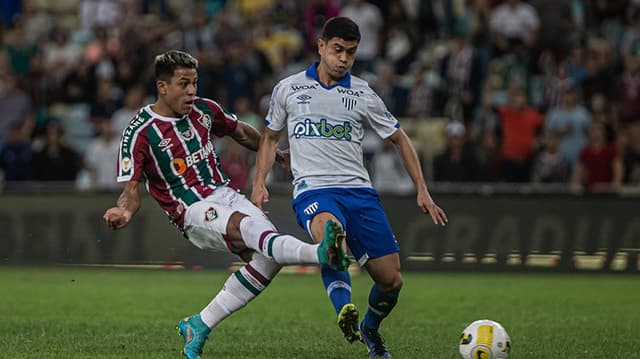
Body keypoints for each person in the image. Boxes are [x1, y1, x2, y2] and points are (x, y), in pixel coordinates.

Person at [102, 50, 349, 359]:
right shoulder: (140, 132)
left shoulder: (204, 110)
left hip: (226, 195)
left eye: (194, 82)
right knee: (247, 230)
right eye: (183, 84)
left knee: (268, 256)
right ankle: (321, 253)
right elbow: (132, 189)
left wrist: (276, 152)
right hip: (191, 210)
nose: (191, 91)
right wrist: (124, 210)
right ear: (163, 87)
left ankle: (199, 323)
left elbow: (242, 132)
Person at [251, 17, 447, 358]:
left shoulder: (362, 93)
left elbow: (400, 139)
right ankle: (345, 309)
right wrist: (259, 185)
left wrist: (422, 189)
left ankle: (370, 328)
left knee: (391, 281)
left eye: (351, 53)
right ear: (321, 47)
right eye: (338, 50)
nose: (343, 59)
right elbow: (269, 139)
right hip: (314, 190)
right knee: (332, 235)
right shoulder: (289, 89)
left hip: (360, 192)